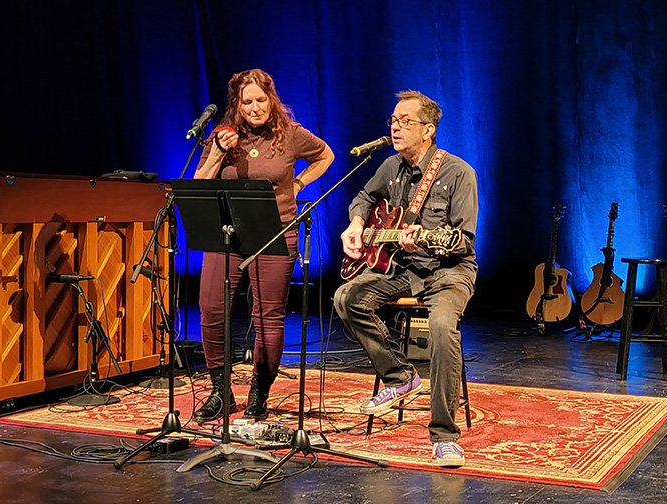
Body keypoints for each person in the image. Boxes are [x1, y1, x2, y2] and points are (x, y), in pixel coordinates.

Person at [333, 91, 478, 468]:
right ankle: (400, 375)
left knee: (442, 326)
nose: (395, 127)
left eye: (405, 121)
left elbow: (463, 242)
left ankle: (445, 437)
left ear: (428, 130)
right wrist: (357, 223)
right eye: (393, 121)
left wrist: (430, 243)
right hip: (403, 268)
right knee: (347, 297)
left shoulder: (458, 173)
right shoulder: (390, 167)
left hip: (448, 271)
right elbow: (364, 196)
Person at [193, 69, 334, 423]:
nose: (255, 108)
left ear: (271, 100)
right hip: (227, 232)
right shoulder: (223, 137)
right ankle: (220, 392)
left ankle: (259, 391)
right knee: (211, 309)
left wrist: (300, 182)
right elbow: (199, 183)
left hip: (275, 232)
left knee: (267, 316)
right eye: (247, 102)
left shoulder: (290, 135)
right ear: (237, 107)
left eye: (261, 100)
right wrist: (217, 154)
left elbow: (325, 155)